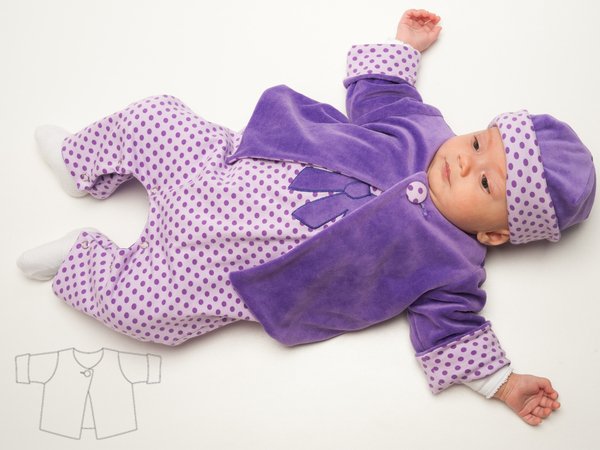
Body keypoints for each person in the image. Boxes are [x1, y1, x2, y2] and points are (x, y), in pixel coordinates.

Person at [17, 9, 595, 426]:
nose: (464, 162)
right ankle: (79, 161)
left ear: (494, 232)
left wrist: (504, 384)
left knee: (144, 312)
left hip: (226, 278)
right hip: (224, 167)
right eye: (477, 142)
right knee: (155, 117)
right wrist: (404, 47)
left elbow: (454, 331)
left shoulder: (453, 267)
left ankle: (80, 260)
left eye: (485, 182)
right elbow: (381, 93)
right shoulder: (422, 129)